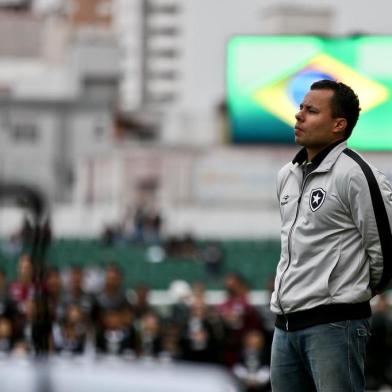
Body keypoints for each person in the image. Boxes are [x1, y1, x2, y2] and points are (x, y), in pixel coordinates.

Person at [270, 79, 392, 391]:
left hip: (335, 325)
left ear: (339, 125)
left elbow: (386, 249)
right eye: (300, 108)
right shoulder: (288, 175)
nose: (299, 116)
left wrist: (353, 294)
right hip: (284, 326)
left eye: (311, 110)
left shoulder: (356, 174)